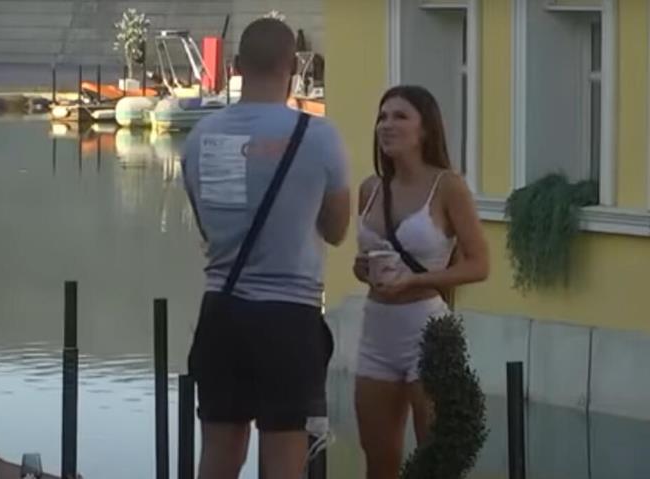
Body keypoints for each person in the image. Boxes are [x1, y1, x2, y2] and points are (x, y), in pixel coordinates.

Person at [181, 17, 351, 479]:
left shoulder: (200, 138)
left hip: (221, 309)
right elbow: (338, 230)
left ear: (236, 66)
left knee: (219, 452)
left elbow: (206, 229)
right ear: (293, 67)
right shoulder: (319, 136)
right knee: (284, 455)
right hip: (289, 316)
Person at [353, 85, 489, 479]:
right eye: (382, 117)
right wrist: (363, 270)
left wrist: (416, 279)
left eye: (400, 116)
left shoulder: (447, 186)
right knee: (378, 463)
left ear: (425, 129)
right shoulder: (370, 189)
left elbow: (479, 265)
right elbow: (361, 264)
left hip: (426, 331)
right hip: (376, 331)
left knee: (436, 459)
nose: (386, 125)